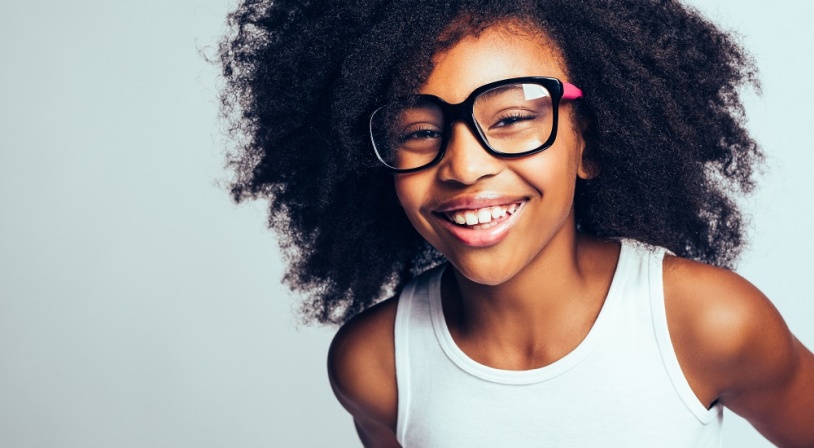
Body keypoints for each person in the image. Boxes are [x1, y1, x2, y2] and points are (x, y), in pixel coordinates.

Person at [218, 0, 814, 446]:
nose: (464, 166)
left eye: (510, 119)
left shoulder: (709, 324)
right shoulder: (376, 366)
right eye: (420, 131)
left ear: (590, 144)